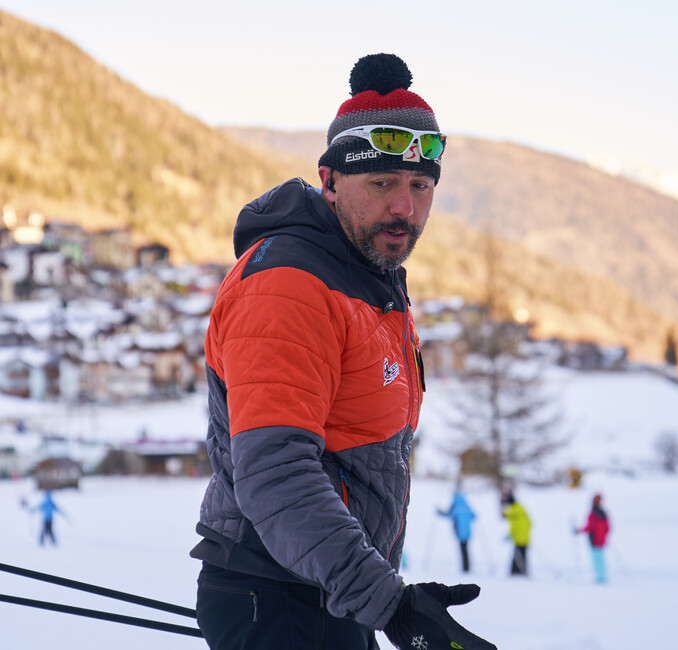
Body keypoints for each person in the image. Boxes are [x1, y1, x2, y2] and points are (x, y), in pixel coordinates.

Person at [190, 53, 495, 650]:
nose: (404, 207)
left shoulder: (369, 279)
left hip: (328, 591)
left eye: (420, 186)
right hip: (277, 595)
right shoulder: (291, 284)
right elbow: (277, 475)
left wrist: (377, 594)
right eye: (382, 184)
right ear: (330, 182)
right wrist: (389, 604)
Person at [438, 487, 477, 573]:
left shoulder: (455, 507)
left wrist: (440, 513)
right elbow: (474, 516)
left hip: (459, 532)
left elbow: (448, 515)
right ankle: (467, 567)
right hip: (468, 532)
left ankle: (465, 568)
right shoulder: (466, 506)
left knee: (463, 549)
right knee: (466, 549)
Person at [577, 493, 610, 584]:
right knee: (601, 559)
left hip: (594, 540)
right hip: (601, 540)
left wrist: (579, 531)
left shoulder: (593, 513)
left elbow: (590, 527)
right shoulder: (603, 513)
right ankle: (602, 576)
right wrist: (605, 537)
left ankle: (600, 577)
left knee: (597, 560)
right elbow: (608, 528)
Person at [501, 492, 532, 577]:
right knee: (523, 555)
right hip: (525, 537)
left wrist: (511, 535)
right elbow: (529, 523)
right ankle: (521, 571)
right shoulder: (521, 508)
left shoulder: (514, 511)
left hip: (519, 538)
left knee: (517, 556)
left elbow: (514, 525)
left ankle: (517, 572)